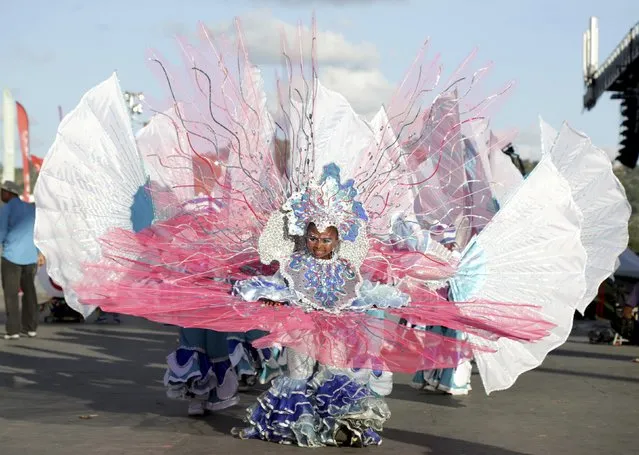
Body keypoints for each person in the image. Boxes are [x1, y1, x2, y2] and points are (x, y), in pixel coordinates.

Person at [32, 19, 630, 448]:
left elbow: (372, 289)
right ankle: (292, 415)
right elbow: (268, 288)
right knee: (293, 371)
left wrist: (417, 285)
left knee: (339, 370)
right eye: (313, 237)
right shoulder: (291, 260)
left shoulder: (347, 260)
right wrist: (242, 290)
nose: (320, 244)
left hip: (339, 323)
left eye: (327, 237)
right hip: (293, 323)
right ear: (303, 237)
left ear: (337, 238)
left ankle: (334, 413)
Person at [0, 181, 43, 340]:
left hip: (11, 257)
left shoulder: (7, 209)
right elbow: (38, 233)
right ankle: (30, 328)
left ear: (9, 193)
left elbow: (2, 231)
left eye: (2, 191)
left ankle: (13, 330)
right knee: (29, 292)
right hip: (30, 257)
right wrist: (39, 253)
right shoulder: (30, 209)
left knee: (11, 294)